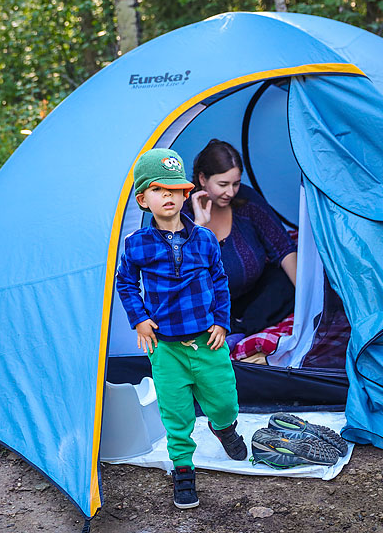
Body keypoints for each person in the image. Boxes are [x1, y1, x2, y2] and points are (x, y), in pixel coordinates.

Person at [115, 148, 247, 510]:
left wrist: (221, 320)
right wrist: (139, 319)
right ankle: (183, 470)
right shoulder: (136, 245)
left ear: (186, 194)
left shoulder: (204, 239)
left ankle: (225, 429)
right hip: (166, 347)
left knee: (223, 401)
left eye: (176, 190)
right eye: (160, 190)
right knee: (176, 413)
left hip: (207, 341)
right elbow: (125, 283)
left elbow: (220, 281)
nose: (170, 197)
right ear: (143, 199)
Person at [185, 139, 298, 348]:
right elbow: (180, 277)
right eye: (223, 185)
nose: (231, 192)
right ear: (202, 179)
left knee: (283, 281)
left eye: (235, 183)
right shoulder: (182, 214)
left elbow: (283, 247)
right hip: (210, 305)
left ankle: (241, 331)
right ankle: (230, 330)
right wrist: (199, 227)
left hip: (251, 297)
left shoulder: (246, 201)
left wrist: (309, 298)